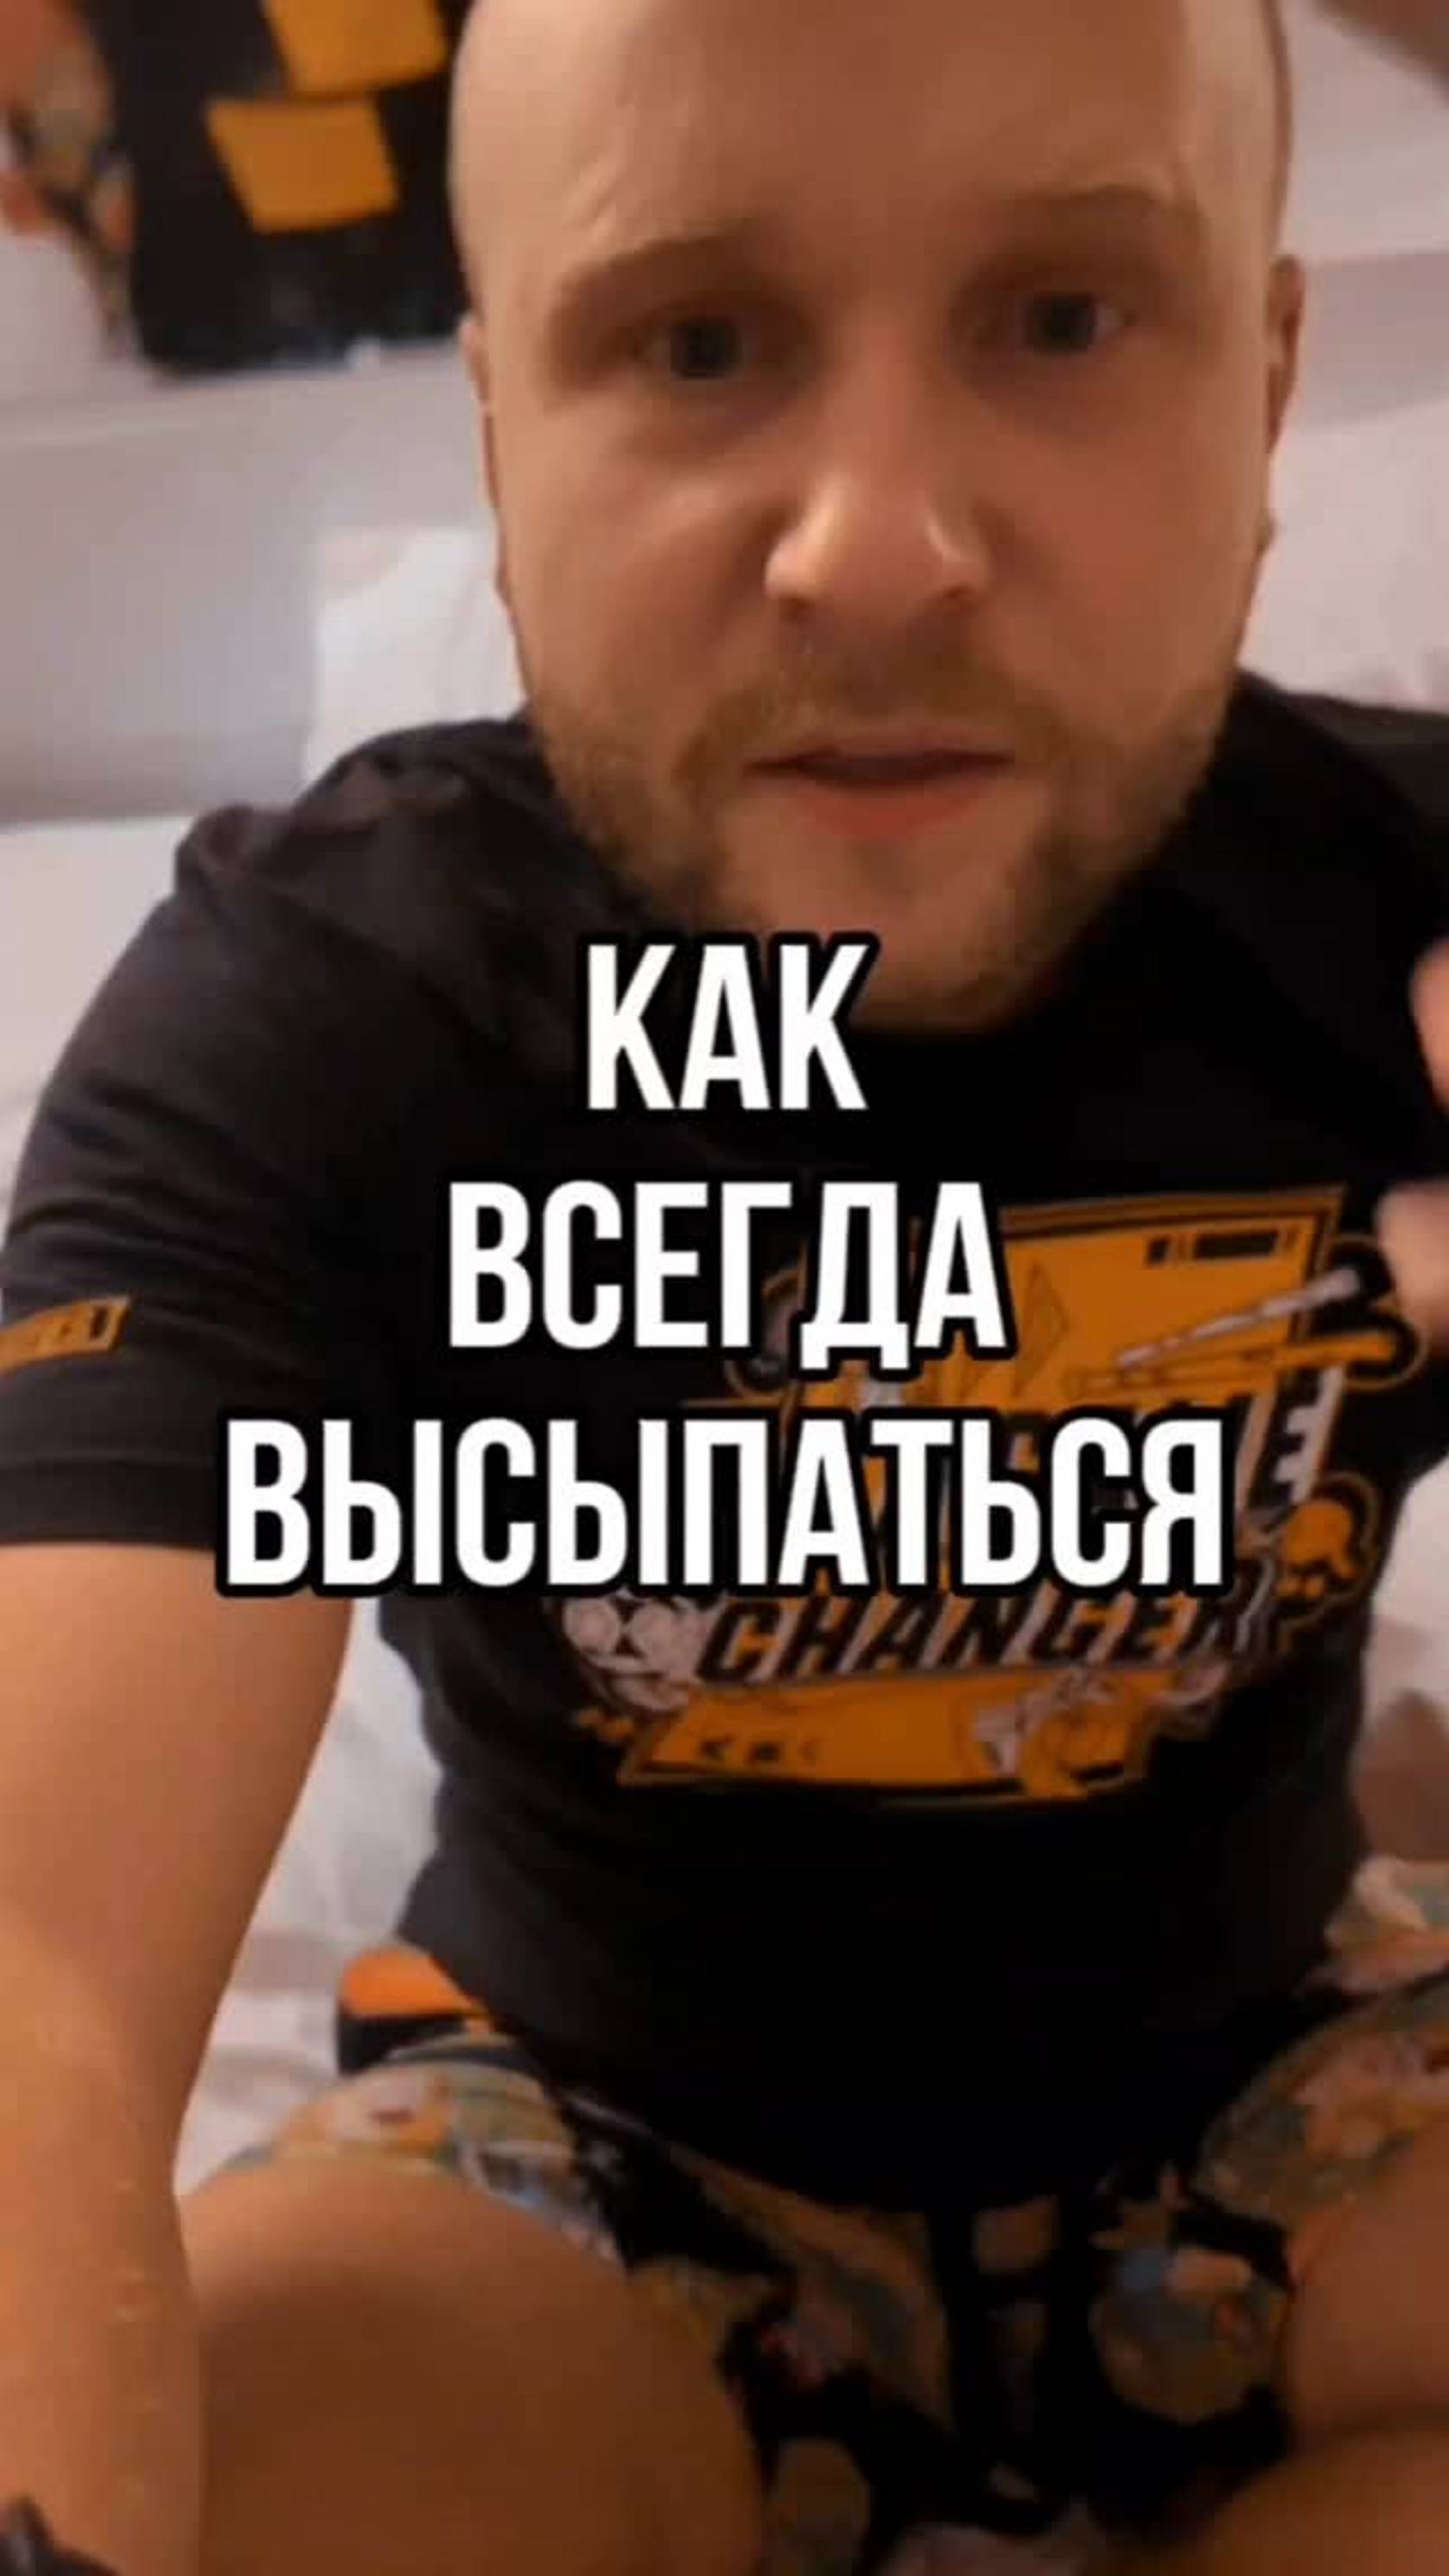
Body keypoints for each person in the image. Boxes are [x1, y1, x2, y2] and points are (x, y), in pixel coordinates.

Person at [1, 1, 1448, 2571]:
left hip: (1302, 2081)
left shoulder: (1410, 933)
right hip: (579, 2160)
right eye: (696, 342)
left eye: (1064, 317)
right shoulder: (333, 1023)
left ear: (1265, 382)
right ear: (500, 431)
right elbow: (37, 1974)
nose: (876, 550)